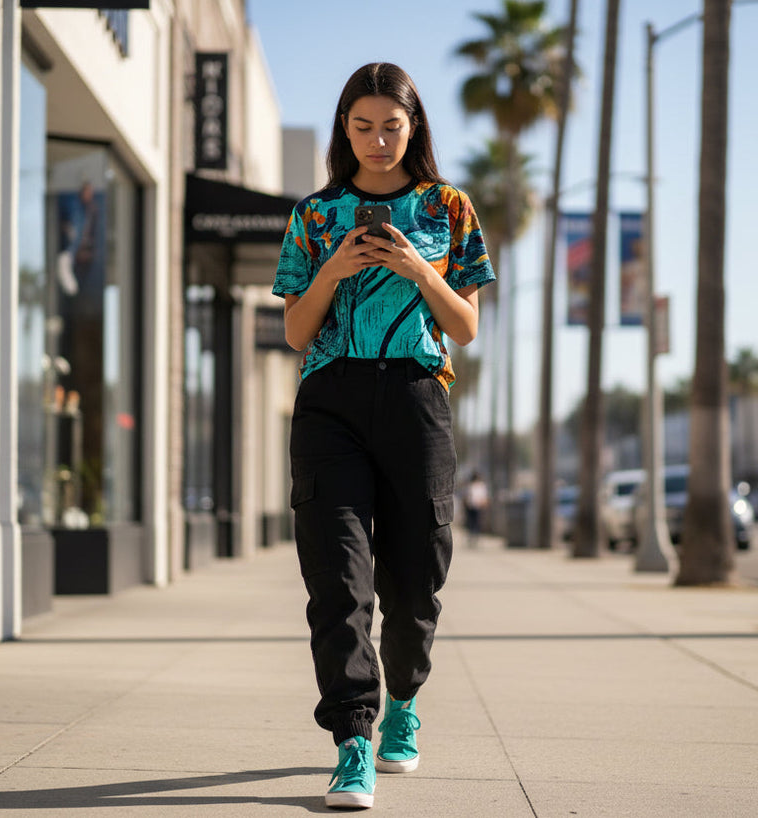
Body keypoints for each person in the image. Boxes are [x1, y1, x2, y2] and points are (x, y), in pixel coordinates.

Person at [272, 63, 495, 810]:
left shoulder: (448, 207)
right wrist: (333, 270)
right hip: (329, 402)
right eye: (361, 126)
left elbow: (463, 326)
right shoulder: (315, 214)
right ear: (344, 128)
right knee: (337, 583)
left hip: (415, 396)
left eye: (390, 126)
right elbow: (299, 331)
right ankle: (352, 742)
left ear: (415, 128)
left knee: (415, 578)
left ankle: (404, 700)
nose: (376, 140)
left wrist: (417, 268)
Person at [463, 470, 489, 548]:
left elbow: (484, 497)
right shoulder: (470, 486)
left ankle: (476, 537)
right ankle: (471, 537)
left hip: (478, 507)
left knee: (477, 523)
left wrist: (483, 504)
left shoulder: (481, 486)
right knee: (471, 523)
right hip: (471, 507)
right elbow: (467, 497)